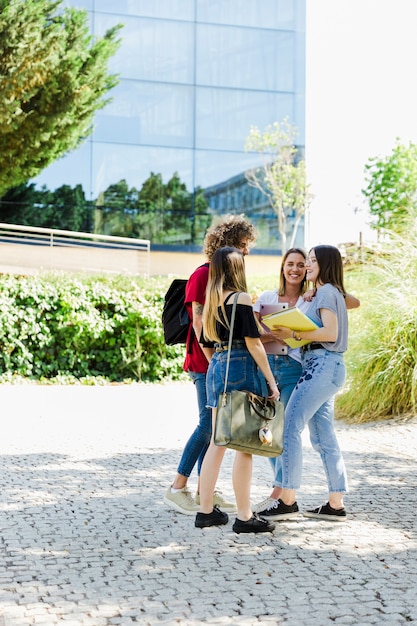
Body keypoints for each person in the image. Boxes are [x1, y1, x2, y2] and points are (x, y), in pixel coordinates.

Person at [252, 249, 360, 520]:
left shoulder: (325, 292)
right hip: (329, 366)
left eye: (311, 261)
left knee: (289, 426)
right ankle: (335, 503)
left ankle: (287, 500)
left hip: (321, 365)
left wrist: (293, 333)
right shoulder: (327, 291)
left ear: (324, 264)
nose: (307, 266)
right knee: (323, 436)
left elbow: (330, 333)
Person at [164, 215, 257, 515]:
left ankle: (207, 492)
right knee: (209, 425)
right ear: (229, 245)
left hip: (216, 363)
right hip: (206, 362)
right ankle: (178, 487)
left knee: (216, 428)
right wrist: (218, 364)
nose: (247, 252)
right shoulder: (203, 275)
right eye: (244, 245)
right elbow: (199, 323)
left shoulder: (225, 279)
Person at [195, 246, 280, 534]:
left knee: (218, 442)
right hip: (242, 364)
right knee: (244, 444)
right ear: (237, 269)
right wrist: (271, 380)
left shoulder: (210, 301)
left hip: (217, 365)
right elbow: (254, 343)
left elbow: (205, 342)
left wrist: (219, 367)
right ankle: (244, 516)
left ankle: (205, 511)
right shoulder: (240, 298)